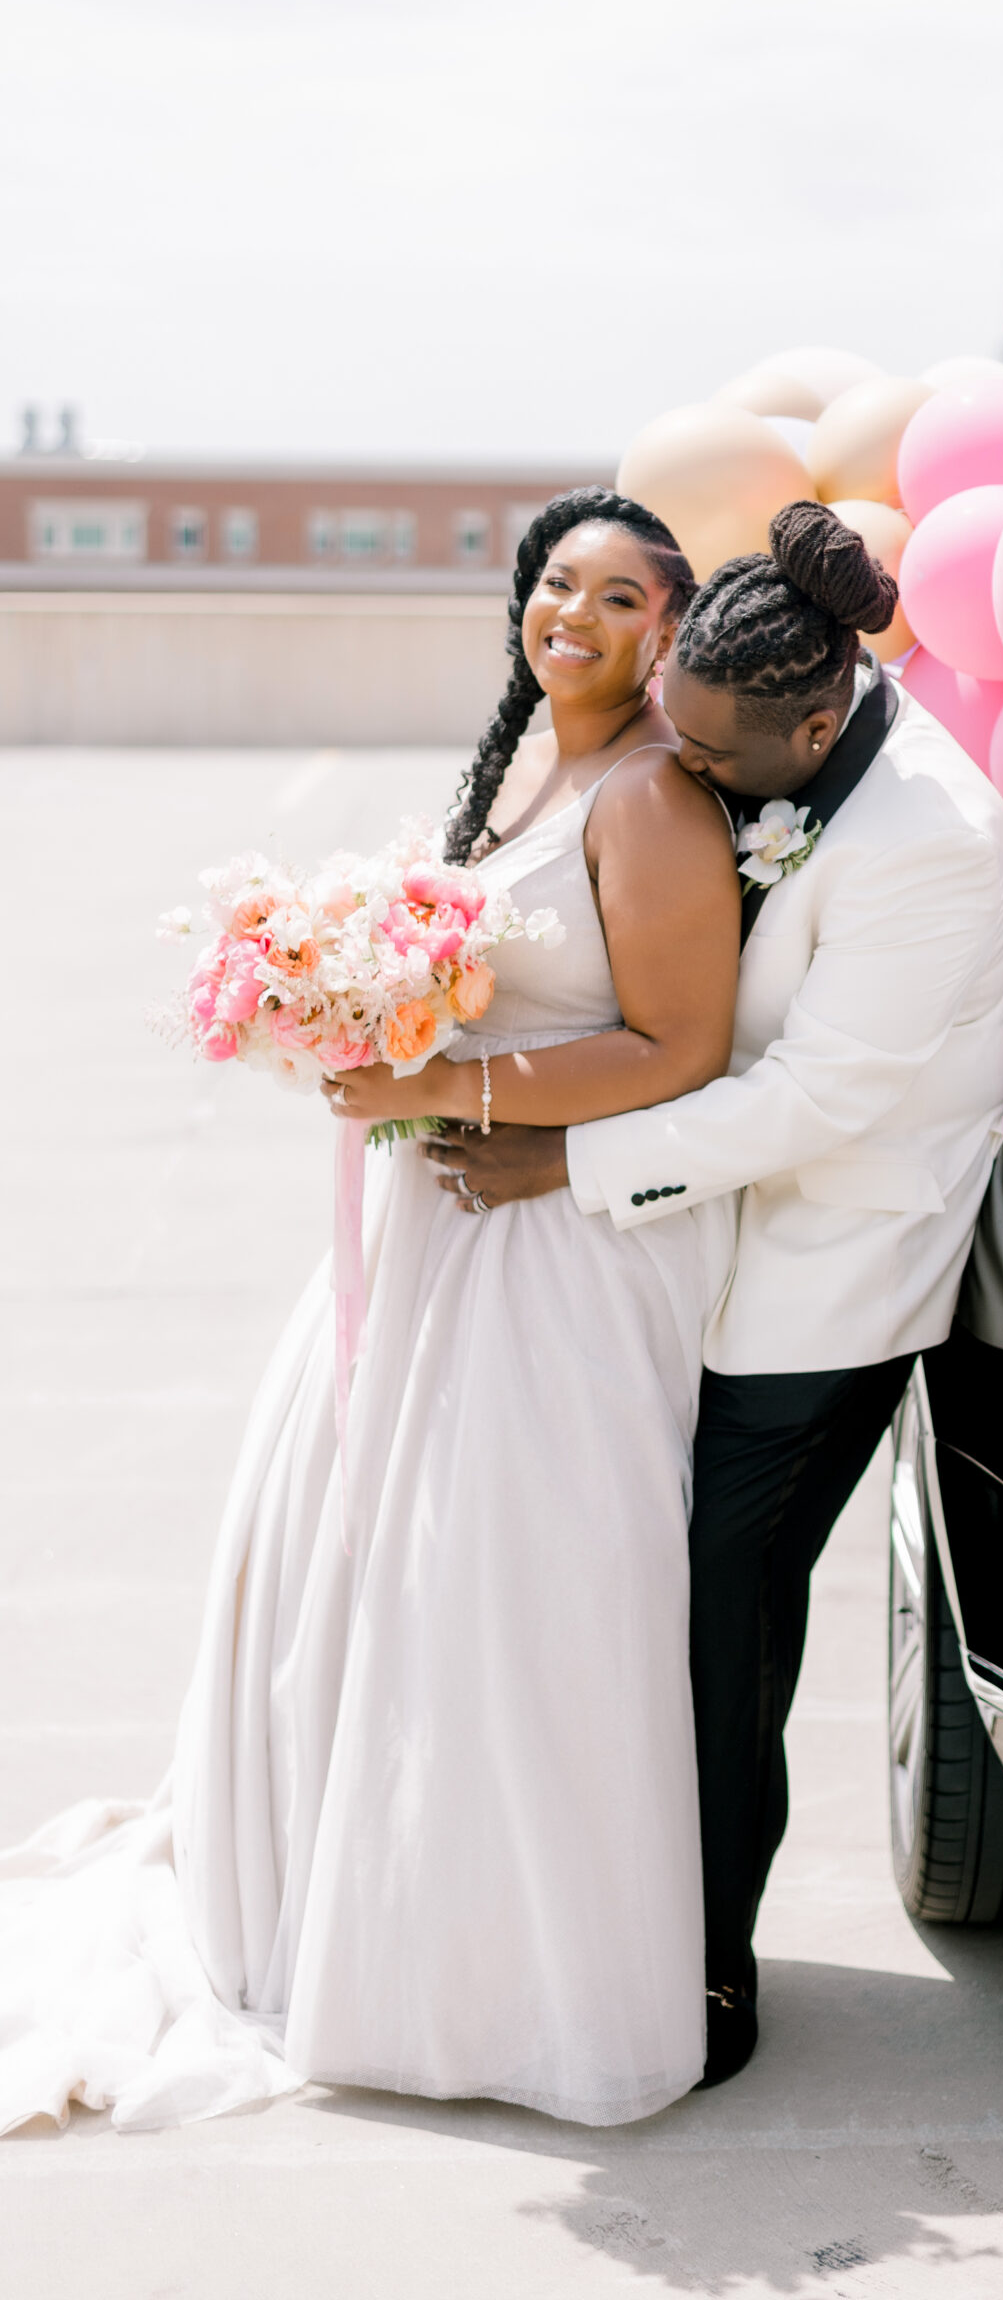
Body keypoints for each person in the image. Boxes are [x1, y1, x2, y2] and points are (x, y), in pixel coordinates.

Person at [0, 487, 743, 2134]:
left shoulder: (655, 803)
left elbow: (679, 1048)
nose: (577, 615)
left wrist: (439, 1073)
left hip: (555, 1246)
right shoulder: (528, 771)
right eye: (559, 582)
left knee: (504, 1596)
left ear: (670, 634)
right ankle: (355, 1896)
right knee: (361, 1565)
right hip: (437, 1211)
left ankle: (505, 1977)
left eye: (622, 597)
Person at [432, 501, 1003, 2086]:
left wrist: (561, 1166)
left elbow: (813, 1101)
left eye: (707, 758)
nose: (679, 775)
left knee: (721, 1628)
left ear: (816, 725)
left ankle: (702, 1975)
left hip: (827, 1284)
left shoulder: (933, 838)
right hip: (695, 1235)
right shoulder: (758, 732)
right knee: (624, 1593)